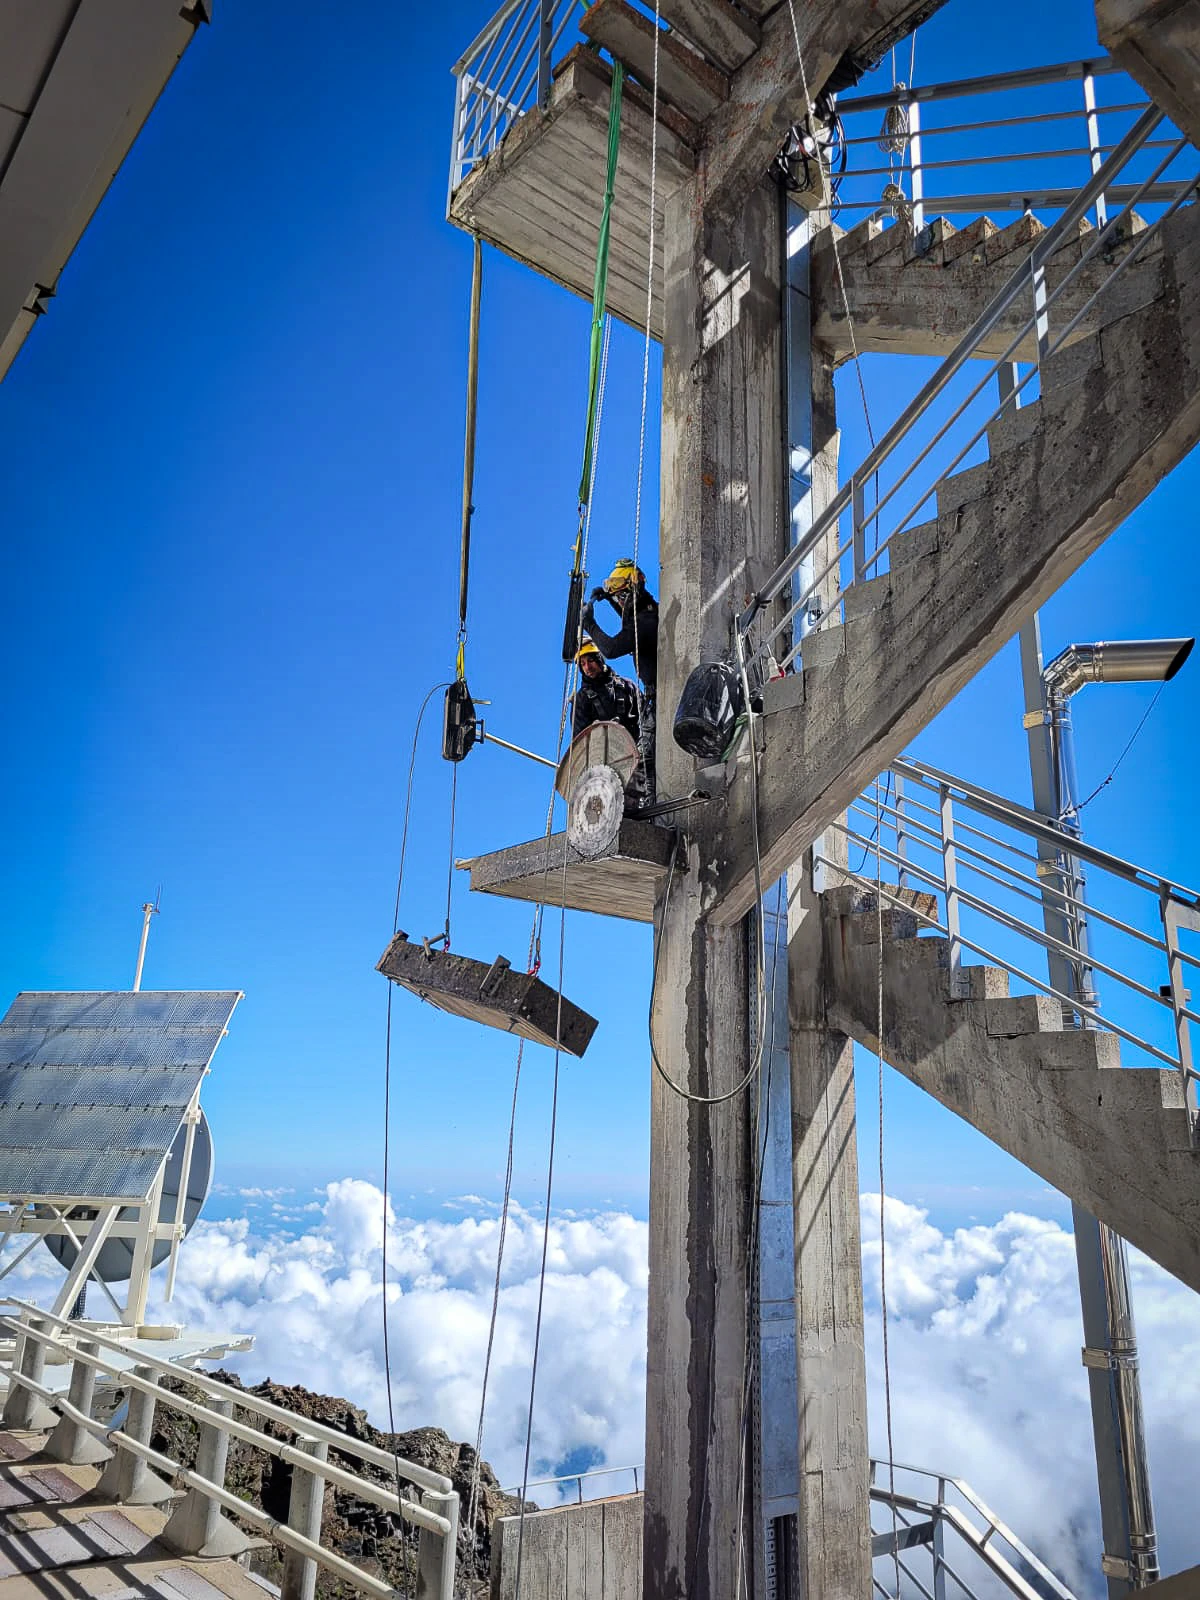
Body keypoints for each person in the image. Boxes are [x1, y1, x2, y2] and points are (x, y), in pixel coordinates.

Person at [581, 559, 659, 805]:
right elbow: (630, 622)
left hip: (658, 697)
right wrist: (607, 597)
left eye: (620, 597)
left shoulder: (646, 622)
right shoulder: (647, 612)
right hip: (655, 695)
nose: (620, 603)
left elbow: (614, 647)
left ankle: (647, 805)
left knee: (645, 760)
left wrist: (590, 625)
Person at [571, 641, 649, 815]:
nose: (587, 667)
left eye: (590, 661)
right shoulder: (582, 699)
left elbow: (648, 719)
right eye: (582, 664)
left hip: (635, 757)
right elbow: (580, 741)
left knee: (638, 804)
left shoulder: (627, 687)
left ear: (600, 659)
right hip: (604, 763)